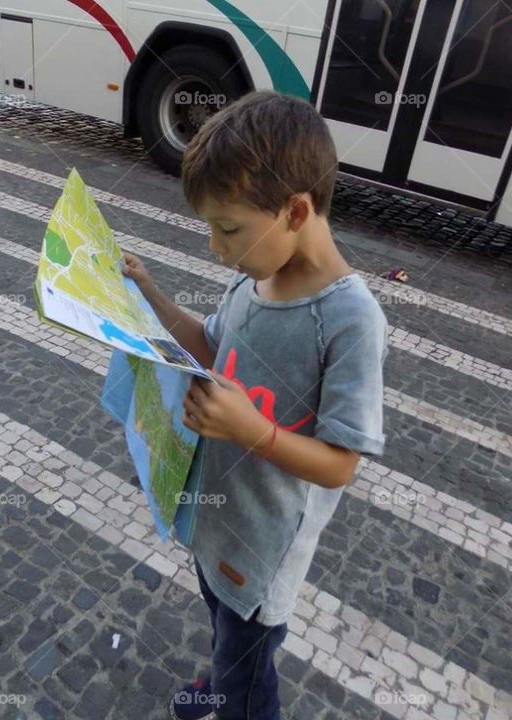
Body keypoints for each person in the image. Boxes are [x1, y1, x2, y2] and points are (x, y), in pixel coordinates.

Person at [121, 90, 389, 720]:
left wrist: (255, 432)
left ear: (295, 211)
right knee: (223, 628)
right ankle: (220, 679)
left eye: (229, 228)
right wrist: (149, 294)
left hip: (263, 551)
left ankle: (231, 694)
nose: (216, 247)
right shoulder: (253, 277)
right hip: (216, 521)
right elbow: (210, 345)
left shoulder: (349, 320)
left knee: (250, 672)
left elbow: (341, 464)